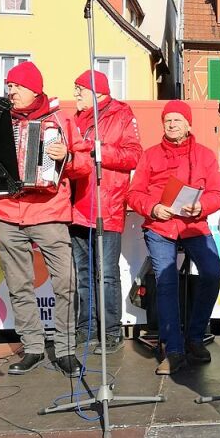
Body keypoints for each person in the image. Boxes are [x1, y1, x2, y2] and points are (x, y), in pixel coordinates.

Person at [0, 62, 89, 377]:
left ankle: (66, 350)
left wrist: (68, 158)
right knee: (19, 286)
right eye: (9, 86)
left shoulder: (61, 120)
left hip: (48, 211)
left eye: (16, 86)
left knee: (66, 282)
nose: (11, 92)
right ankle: (32, 347)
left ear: (34, 88)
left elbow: (85, 165)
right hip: (7, 212)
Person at [127, 101, 220, 375]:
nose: (172, 124)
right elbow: (134, 194)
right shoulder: (150, 155)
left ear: (189, 124)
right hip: (160, 226)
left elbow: (218, 193)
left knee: (213, 273)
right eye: (167, 120)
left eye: (178, 120)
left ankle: (194, 337)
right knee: (166, 283)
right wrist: (153, 208)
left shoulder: (204, 155)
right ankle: (173, 350)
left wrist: (201, 206)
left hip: (194, 226)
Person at [70, 69, 142, 354]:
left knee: (107, 273)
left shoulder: (122, 115)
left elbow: (134, 155)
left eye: (80, 90)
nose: (75, 95)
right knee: (83, 273)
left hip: (106, 206)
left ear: (98, 92)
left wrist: (98, 150)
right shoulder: (74, 120)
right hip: (76, 207)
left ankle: (111, 331)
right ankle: (86, 328)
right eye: (75, 89)